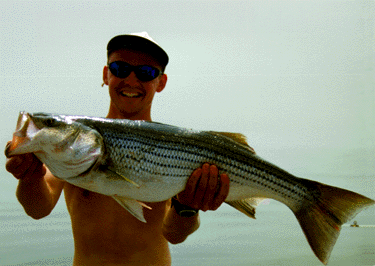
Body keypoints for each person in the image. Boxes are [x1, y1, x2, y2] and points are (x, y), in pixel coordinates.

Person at [5, 32, 230, 266]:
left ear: (160, 82)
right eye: (121, 68)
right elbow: (38, 208)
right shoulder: (76, 144)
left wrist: (187, 207)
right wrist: (29, 176)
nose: (132, 81)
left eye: (146, 73)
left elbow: (174, 234)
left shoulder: (173, 149)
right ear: (106, 74)